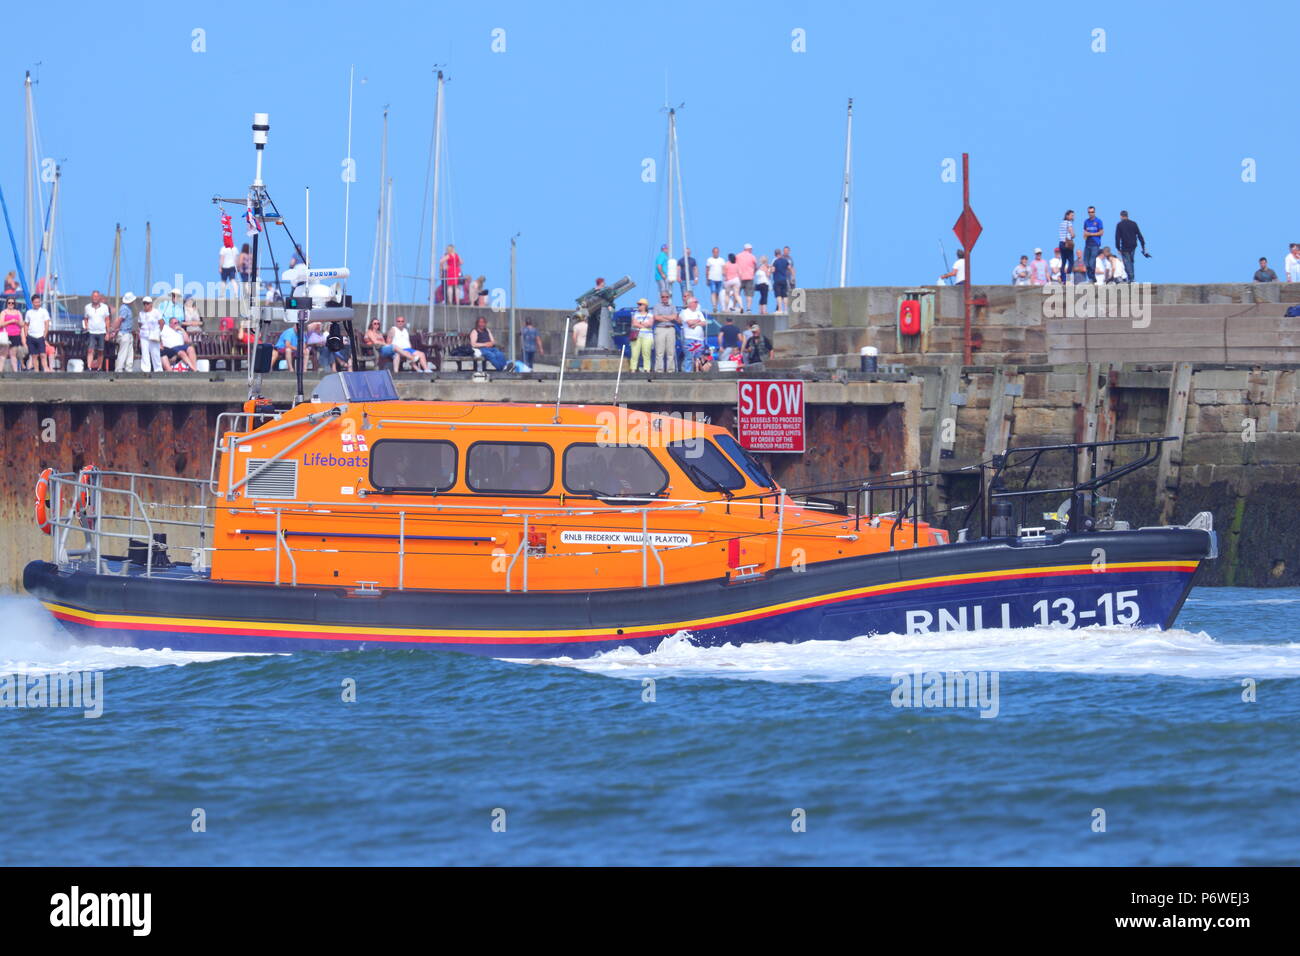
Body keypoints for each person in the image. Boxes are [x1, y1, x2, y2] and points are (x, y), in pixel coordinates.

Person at [1114, 210, 1147, 282]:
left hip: (1125, 246)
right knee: (1131, 262)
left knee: (1127, 263)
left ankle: (1131, 278)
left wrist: (1118, 248)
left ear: (1121, 216)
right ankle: (1132, 278)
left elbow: (1117, 237)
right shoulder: (1133, 224)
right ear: (1127, 215)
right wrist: (1143, 245)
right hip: (1133, 246)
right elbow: (1139, 235)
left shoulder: (1119, 225)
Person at [651, 291, 679, 373]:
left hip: (670, 329)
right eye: (663, 297)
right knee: (659, 352)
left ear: (669, 297)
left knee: (670, 351)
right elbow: (656, 317)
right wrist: (668, 318)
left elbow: (674, 317)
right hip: (660, 329)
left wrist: (663, 316)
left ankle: (670, 370)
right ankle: (659, 370)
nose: (665, 298)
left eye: (666, 297)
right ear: (661, 298)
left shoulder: (672, 306)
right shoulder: (656, 306)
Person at [83, 290, 110, 372]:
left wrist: (107, 333)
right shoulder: (87, 307)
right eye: (93, 296)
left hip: (101, 331)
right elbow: (85, 319)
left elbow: (107, 320)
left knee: (100, 350)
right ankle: (89, 367)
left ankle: (99, 367)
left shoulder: (105, 307)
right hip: (91, 332)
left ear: (99, 298)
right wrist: (86, 327)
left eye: (96, 296)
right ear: (91, 297)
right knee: (90, 349)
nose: (95, 298)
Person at [24, 293, 52, 373]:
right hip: (31, 336)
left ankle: (46, 369)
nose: (37, 304)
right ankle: (36, 371)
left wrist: (44, 335)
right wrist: (26, 335)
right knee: (34, 355)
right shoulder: (29, 312)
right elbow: (26, 325)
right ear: (32, 303)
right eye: (35, 302)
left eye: (39, 302)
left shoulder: (44, 311)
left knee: (43, 354)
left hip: (40, 336)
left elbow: (47, 323)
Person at [679, 296, 707, 372]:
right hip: (689, 338)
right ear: (690, 303)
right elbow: (689, 322)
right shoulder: (684, 312)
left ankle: (698, 373)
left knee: (699, 357)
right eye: (695, 302)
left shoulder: (699, 312)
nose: (697, 303)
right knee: (689, 357)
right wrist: (698, 320)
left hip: (699, 339)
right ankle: (687, 374)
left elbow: (704, 323)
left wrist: (695, 324)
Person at [137, 296, 163, 372]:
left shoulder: (156, 312)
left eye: (147, 303)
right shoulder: (141, 313)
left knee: (155, 353)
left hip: (153, 335)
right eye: (144, 303)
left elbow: (161, 322)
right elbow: (139, 323)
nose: (145, 305)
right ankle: (145, 370)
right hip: (144, 335)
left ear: (151, 304)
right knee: (145, 353)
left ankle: (158, 370)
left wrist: (158, 332)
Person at [113, 292, 137, 372]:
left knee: (130, 352)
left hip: (129, 332)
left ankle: (128, 368)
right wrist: (113, 329)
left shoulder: (128, 308)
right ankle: (119, 369)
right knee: (123, 352)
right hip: (124, 333)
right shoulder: (124, 308)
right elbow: (120, 319)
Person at [628, 298, 654, 372]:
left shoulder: (650, 314)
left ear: (645, 306)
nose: (638, 306)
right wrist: (643, 325)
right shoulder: (635, 314)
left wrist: (639, 323)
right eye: (638, 304)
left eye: (640, 304)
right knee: (634, 353)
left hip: (647, 336)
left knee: (646, 353)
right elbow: (633, 324)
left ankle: (647, 369)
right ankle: (633, 369)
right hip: (636, 336)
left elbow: (650, 324)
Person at [0, 296, 23, 371]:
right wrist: (11, 321)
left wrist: (17, 322)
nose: (11, 304)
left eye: (12, 303)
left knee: (13, 355)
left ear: (14, 304)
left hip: (16, 335)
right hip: (6, 335)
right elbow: (1, 324)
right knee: (3, 355)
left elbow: (22, 324)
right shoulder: (4, 312)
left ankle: (15, 373)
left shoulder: (18, 312)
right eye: (9, 302)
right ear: (7, 303)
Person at [1082, 206, 1103, 281]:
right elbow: (1084, 232)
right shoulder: (1086, 221)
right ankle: (1091, 278)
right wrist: (1085, 236)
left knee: (1092, 261)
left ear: (1094, 212)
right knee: (1086, 262)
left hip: (1095, 244)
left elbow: (1101, 232)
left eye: (1092, 212)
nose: (1090, 213)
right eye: (1089, 212)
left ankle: (1092, 277)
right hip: (1087, 244)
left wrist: (1090, 234)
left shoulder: (1098, 221)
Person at [735, 243, 758, 312]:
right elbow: (756, 267)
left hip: (739, 277)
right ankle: (748, 309)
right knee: (749, 294)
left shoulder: (738, 256)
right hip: (749, 277)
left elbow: (735, 266)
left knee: (737, 293)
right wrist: (753, 273)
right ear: (749, 249)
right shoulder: (752, 257)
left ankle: (737, 307)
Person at [705, 247, 725, 313]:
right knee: (713, 292)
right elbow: (707, 270)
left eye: (717, 252)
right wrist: (707, 279)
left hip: (719, 279)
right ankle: (714, 306)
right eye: (715, 252)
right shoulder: (709, 260)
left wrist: (725, 278)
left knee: (717, 293)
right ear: (713, 252)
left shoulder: (721, 260)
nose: (716, 253)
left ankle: (716, 306)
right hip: (712, 278)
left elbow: (724, 269)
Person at [1058, 210, 1076, 283]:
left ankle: (1063, 279)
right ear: (1067, 216)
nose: (1073, 217)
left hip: (1061, 244)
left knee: (1063, 262)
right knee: (1071, 262)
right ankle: (1067, 279)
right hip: (1068, 244)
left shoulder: (1061, 223)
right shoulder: (1069, 223)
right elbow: (1072, 234)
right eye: (1071, 215)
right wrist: (1074, 235)